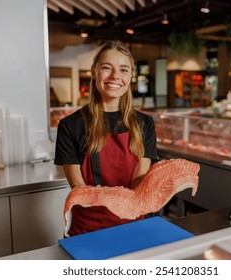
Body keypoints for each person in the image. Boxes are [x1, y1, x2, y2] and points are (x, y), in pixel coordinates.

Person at [54, 40, 158, 236]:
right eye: (106, 68)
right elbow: (79, 189)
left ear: (130, 77)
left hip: (133, 225)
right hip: (88, 228)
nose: (115, 76)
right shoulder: (70, 126)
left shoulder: (145, 124)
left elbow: (139, 182)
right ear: (93, 72)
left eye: (123, 70)